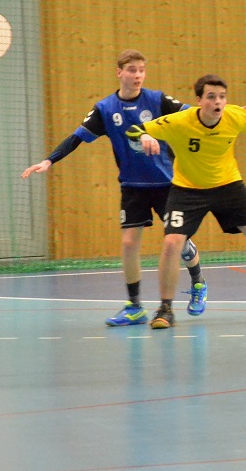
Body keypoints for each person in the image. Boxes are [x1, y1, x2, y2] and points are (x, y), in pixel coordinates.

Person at [22, 50, 209, 326]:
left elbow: (193, 114)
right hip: (133, 186)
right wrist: (49, 160)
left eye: (142, 70)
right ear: (119, 72)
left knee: (177, 243)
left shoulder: (157, 100)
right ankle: (135, 306)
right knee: (129, 242)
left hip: (168, 184)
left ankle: (198, 282)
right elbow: (76, 137)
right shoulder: (106, 109)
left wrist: (226, 115)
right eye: (132, 70)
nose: (138, 75)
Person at [126, 74, 246, 328]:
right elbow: (132, 130)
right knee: (172, 243)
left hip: (228, 186)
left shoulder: (235, 115)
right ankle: (165, 309)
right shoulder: (180, 121)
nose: (218, 102)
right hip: (187, 190)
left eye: (222, 97)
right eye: (211, 97)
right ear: (199, 100)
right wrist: (144, 137)